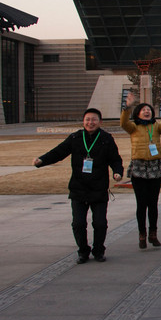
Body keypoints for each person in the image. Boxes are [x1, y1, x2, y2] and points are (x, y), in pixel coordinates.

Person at [33, 109, 123, 263]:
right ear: (83, 121)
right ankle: (83, 251)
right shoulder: (75, 138)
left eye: (94, 120)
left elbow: (115, 159)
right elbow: (59, 152)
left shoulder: (106, 138)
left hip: (98, 188)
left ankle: (98, 250)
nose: (90, 122)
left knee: (100, 223)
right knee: (78, 224)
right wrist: (41, 160)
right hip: (78, 188)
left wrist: (117, 172)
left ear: (100, 122)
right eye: (88, 119)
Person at [121, 92, 161, 249]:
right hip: (139, 166)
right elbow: (123, 123)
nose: (146, 111)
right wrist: (127, 107)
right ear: (138, 113)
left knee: (153, 203)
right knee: (141, 203)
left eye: (149, 110)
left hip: (154, 167)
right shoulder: (133, 127)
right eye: (143, 110)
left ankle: (153, 233)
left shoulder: (156, 127)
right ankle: (142, 234)